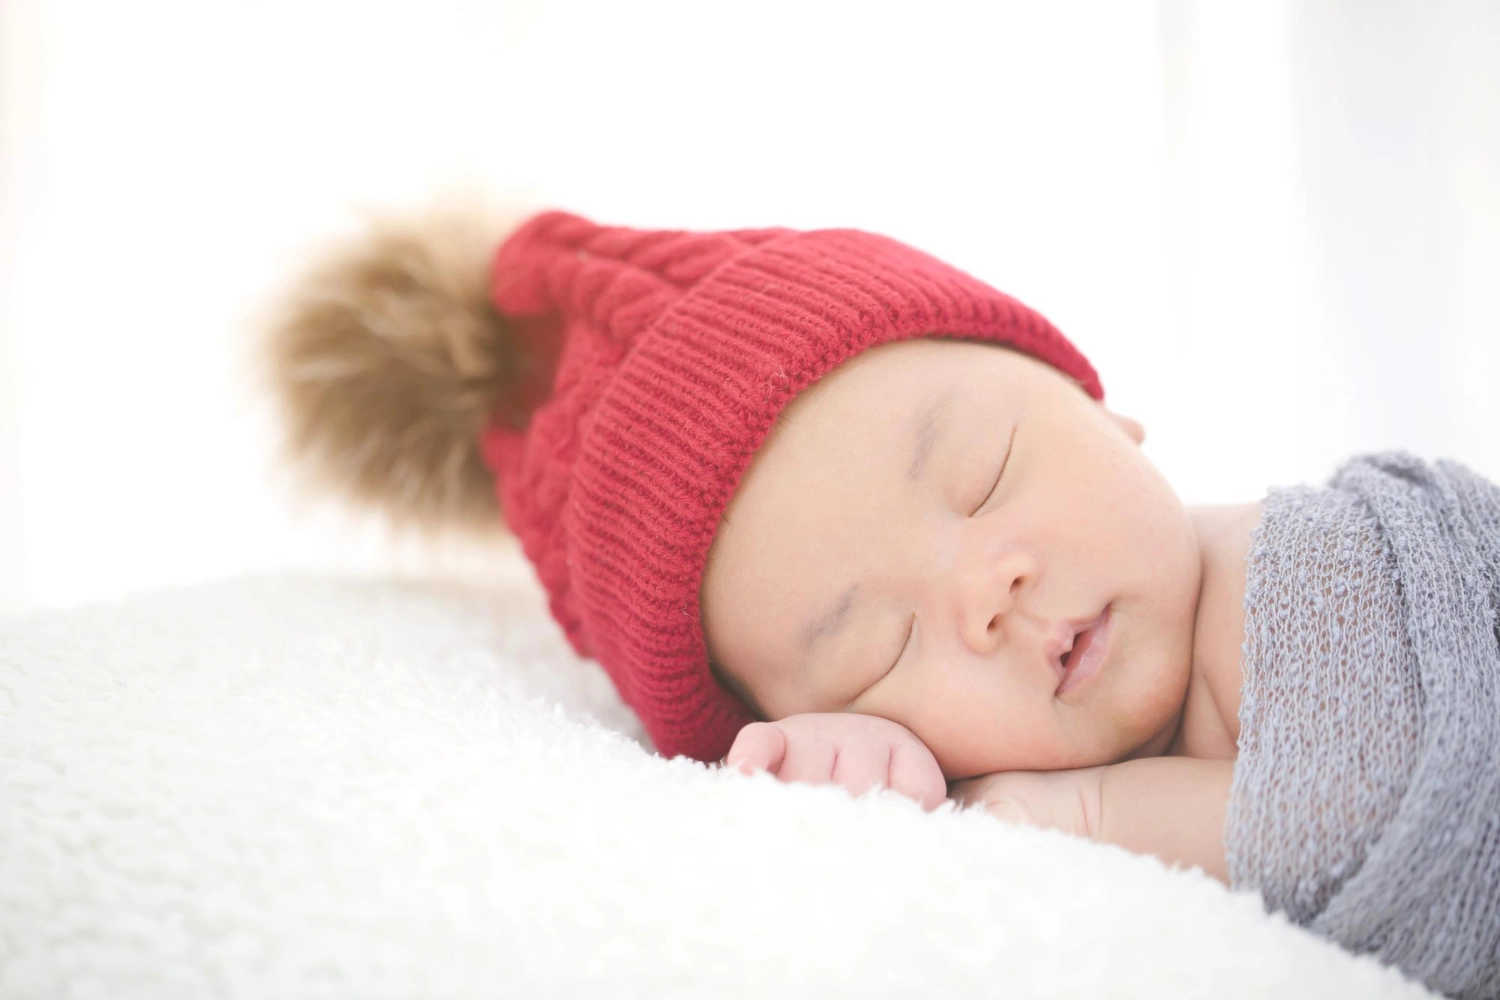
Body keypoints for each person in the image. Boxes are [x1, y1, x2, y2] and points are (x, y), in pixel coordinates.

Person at [264, 206, 1500, 999]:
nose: (988, 591)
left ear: (1096, 402)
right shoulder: (963, 813)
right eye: (882, 645)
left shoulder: (1340, 564)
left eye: (987, 470)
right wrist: (872, 781)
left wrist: (1060, 811)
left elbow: (1382, 797)